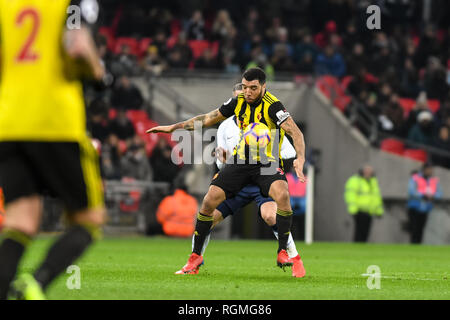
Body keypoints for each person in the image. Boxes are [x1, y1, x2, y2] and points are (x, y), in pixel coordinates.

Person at [147, 67, 306, 276]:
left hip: (266, 164)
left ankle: (284, 252)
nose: (247, 92)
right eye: (245, 87)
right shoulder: (237, 103)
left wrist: (300, 158)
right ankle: (194, 258)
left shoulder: (273, 106)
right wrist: (174, 127)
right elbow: (206, 118)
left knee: (282, 196)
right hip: (240, 163)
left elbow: (295, 131)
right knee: (208, 202)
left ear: (263, 87)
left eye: (253, 88)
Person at [0, 0, 106, 300]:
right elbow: (77, 46)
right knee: (89, 219)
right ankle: (35, 284)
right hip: (55, 122)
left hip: (9, 122)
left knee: (20, 223)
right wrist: (99, 75)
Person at [193, 83, 305, 278]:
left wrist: (270, 159)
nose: (244, 101)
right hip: (238, 183)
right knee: (207, 217)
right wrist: (224, 159)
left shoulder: (267, 124)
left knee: (271, 216)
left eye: (247, 96)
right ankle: (194, 261)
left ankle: (294, 258)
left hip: (262, 181)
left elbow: (288, 151)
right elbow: (222, 163)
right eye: (239, 98)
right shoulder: (225, 127)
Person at [344, 165, 384, 242]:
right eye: (367, 172)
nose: (368, 173)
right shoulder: (356, 180)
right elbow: (350, 195)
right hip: (359, 210)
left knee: (366, 232)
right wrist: (353, 209)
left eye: (370, 172)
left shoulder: (373, 182)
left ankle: (362, 247)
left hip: (369, 211)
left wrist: (379, 211)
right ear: (362, 172)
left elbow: (376, 198)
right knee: (359, 231)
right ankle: (357, 247)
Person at [407, 163, 443, 244]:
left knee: (421, 228)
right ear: (424, 169)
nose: (431, 171)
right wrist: (423, 195)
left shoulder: (433, 180)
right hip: (415, 207)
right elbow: (411, 191)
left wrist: (433, 197)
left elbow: (439, 193)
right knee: (414, 229)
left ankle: (418, 247)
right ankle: (413, 246)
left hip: (426, 207)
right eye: (429, 169)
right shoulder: (415, 178)